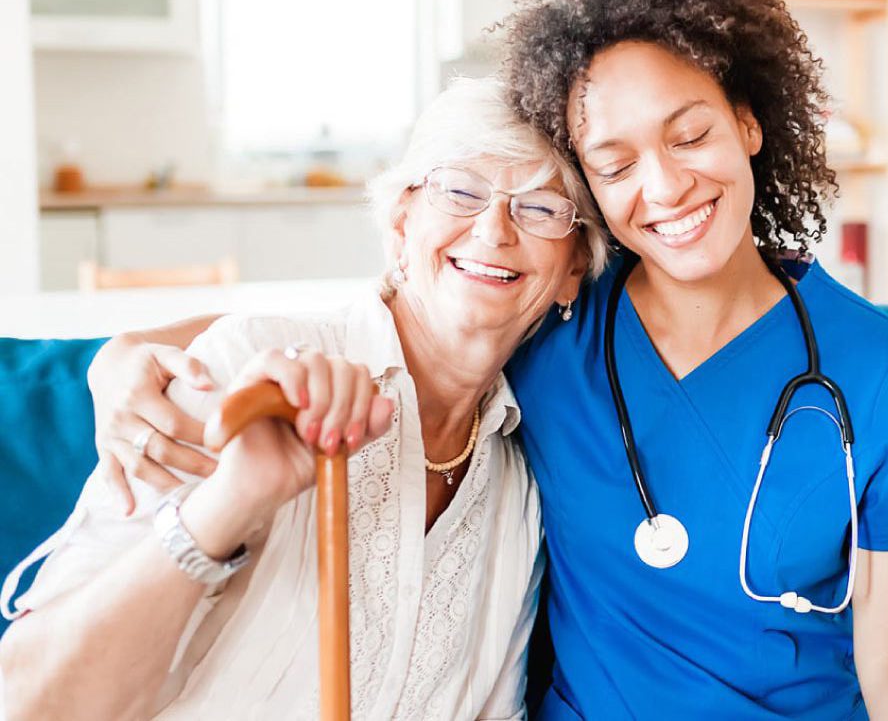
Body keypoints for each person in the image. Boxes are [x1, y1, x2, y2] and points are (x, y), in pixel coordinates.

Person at [68, 0, 888, 719]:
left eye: (691, 133)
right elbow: (377, 313)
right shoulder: (556, 323)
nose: (664, 188)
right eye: (614, 161)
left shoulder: (872, 367)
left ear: (749, 123)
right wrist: (121, 358)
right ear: (590, 190)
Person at [0, 77, 608, 721]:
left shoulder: (523, 483)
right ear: (401, 223)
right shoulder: (245, 370)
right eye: (460, 190)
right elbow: (28, 702)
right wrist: (231, 501)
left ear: (574, 267)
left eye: (540, 207)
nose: (492, 228)